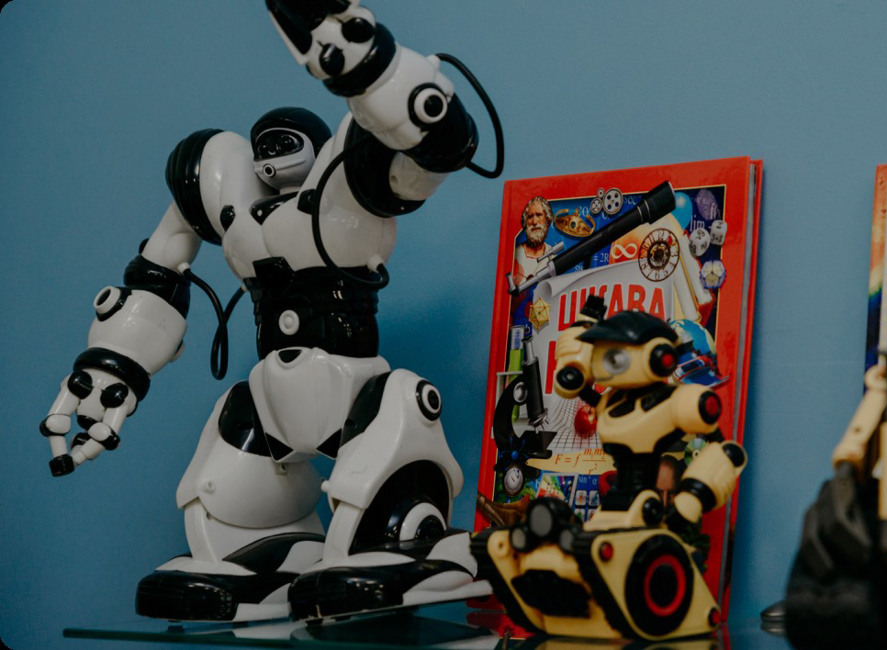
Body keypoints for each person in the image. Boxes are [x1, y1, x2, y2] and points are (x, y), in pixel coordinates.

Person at [39, 0, 497, 623]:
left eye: (287, 143)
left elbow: (432, 151)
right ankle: (261, 553)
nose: (271, 152)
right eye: (265, 146)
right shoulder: (236, 211)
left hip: (355, 391)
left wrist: (375, 69)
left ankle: (404, 537)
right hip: (270, 398)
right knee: (220, 486)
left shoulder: (345, 187)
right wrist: (116, 366)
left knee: (394, 412)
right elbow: (161, 264)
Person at [513, 196, 552, 286]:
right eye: (530, 216)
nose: (534, 222)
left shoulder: (553, 257)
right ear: (525, 222)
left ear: (547, 219)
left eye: (539, 215)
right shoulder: (515, 254)